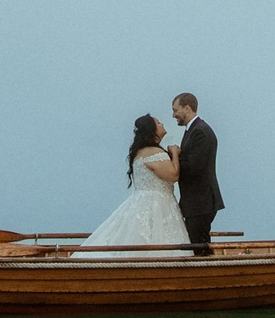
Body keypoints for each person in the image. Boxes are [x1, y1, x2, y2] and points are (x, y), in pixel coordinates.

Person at [78, 113, 191, 254]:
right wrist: (175, 153)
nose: (162, 124)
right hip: (158, 204)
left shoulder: (141, 152)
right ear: (152, 129)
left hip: (145, 201)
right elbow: (173, 175)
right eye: (158, 122)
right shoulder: (153, 152)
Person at [170, 92, 223, 257]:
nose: (173, 115)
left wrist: (174, 156)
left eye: (175, 110)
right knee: (197, 245)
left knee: (199, 248)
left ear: (187, 108)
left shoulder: (200, 131)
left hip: (200, 202)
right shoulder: (192, 130)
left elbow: (194, 166)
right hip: (196, 202)